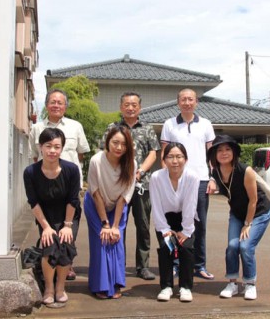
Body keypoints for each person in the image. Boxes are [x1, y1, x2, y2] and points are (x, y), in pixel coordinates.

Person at [29, 88, 90, 280]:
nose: (56, 105)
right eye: (52, 102)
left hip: (69, 185)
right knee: (47, 226)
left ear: (65, 106)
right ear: (47, 105)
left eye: (60, 102)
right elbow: (34, 156)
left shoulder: (75, 126)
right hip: (44, 185)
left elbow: (80, 154)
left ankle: (67, 263)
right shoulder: (36, 128)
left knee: (69, 226)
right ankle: (50, 262)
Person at [100, 92, 160, 280]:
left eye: (134, 105)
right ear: (121, 107)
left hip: (142, 184)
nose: (130, 108)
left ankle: (143, 266)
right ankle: (119, 264)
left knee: (143, 225)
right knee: (120, 225)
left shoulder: (147, 128)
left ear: (139, 108)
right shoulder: (113, 127)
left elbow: (153, 153)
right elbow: (105, 150)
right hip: (118, 184)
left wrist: (140, 171)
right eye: (127, 104)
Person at [208, 134, 270, 301]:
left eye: (228, 149)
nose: (224, 153)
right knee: (232, 246)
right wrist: (211, 180)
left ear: (234, 152)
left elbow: (253, 200)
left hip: (258, 213)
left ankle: (250, 284)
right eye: (219, 150)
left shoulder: (245, 171)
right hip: (237, 214)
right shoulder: (216, 172)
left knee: (245, 247)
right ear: (214, 154)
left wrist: (247, 224)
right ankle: (232, 283)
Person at [160, 88, 216, 280]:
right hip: (176, 180)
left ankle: (199, 265)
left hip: (200, 180)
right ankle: (176, 263)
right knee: (176, 223)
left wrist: (212, 177)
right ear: (178, 102)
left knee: (199, 224)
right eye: (183, 99)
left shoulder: (206, 124)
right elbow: (164, 154)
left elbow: (212, 154)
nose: (187, 102)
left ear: (196, 102)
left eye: (190, 99)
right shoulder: (169, 124)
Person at [23, 127, 81, 306]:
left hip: (69, 215)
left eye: (57, 146)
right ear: (41, 147)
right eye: (48, 146)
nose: (52, 151)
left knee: (65, 245)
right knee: (49, 246)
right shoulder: (31, 172)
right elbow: (33, 202)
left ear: (62, 148)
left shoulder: (71, 170)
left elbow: (73, 199)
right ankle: (48, 287)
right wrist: (46, 227)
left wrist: (67, 225)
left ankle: (60, 287)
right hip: (45, 215)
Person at [85, 125, 136, 299]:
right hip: (95, 203)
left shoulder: (131, 164)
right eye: (115, 142)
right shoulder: (96, 161)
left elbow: (124, 197)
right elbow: (95, 192)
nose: (119, 147)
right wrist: (105, 224)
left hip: (118, 205)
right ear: (108, 141)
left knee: (116, 240)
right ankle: (100, 285)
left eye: (123, 144)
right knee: (101, 240)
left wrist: (114, 226)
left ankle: (115, 284)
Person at [150, 142, 199, 303]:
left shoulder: (192, 177)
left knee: (186, 248)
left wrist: (185, 231)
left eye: (179, 157)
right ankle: (166, 286)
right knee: (166, 248)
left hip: (187, 219)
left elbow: (190, 205)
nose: (175, 161)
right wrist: (164, 229)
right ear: (164, 160)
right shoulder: (156, 177)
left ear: (185, 159)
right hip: (165, 221)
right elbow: (156, 205)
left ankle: (185, 287)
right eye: (170, 157)